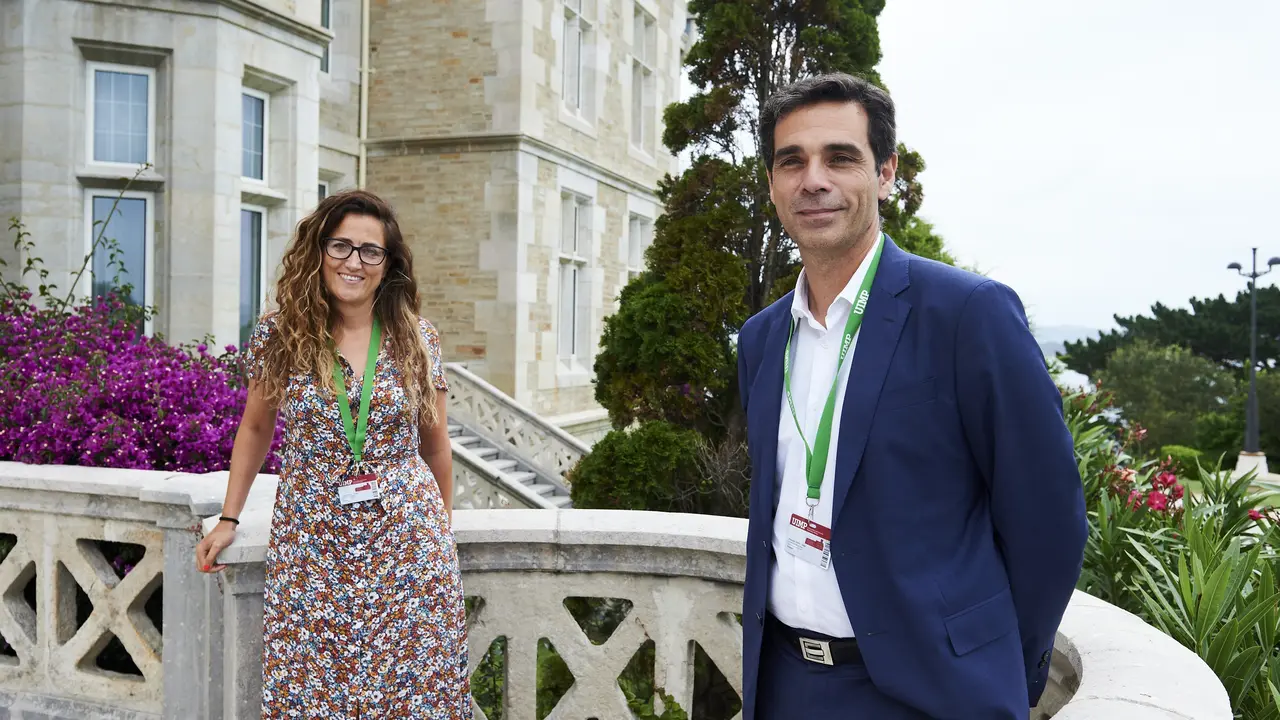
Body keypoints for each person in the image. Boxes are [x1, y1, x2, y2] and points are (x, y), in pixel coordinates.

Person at [735, 73, 1087, 719]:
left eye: (840, 158)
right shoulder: (761, 339)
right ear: (773, 184)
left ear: (886, 173)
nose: (813, 179)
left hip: (931, 694)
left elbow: (1048, 520)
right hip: (785, 683)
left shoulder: (967, 313)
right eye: (792, 161)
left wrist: (1002, 669)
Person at [194, 190, 472, 718]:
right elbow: (255, 428)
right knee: (312, 691)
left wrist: (443, 532)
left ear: (388, 266)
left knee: (411, 694)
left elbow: (435, 445)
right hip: (312, 547)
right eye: (341, 246)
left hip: (407, 547)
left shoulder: (418, 338)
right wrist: (229, 517)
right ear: (319, 250)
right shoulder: (280, 334)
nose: (354, 262)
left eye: (371, 251)